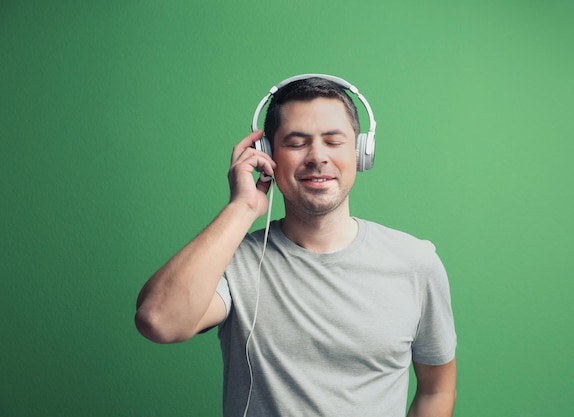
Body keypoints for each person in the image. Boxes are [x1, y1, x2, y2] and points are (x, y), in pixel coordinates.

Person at [135, 75, 457, 417]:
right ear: (267, 155)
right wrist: (242, 208)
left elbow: (437, 388)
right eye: (296, 142)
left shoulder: (415, 263)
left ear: (362, 152)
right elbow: (159, 320)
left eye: (333, 141)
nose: (317, 157)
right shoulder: (234, 263)